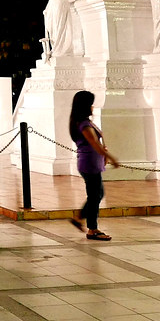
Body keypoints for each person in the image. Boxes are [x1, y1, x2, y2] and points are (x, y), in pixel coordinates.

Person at [68, 90, 118, 241]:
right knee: (95, 195)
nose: (93, 107)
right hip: (89, 164)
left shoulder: (86, 122)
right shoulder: (83, 125)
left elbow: (99, 140)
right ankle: (92, 228)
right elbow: (94, 144)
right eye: (90, 104)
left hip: (92, 163)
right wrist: (111, 157)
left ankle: (82, 220)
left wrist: (105, 154)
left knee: (97, 194)